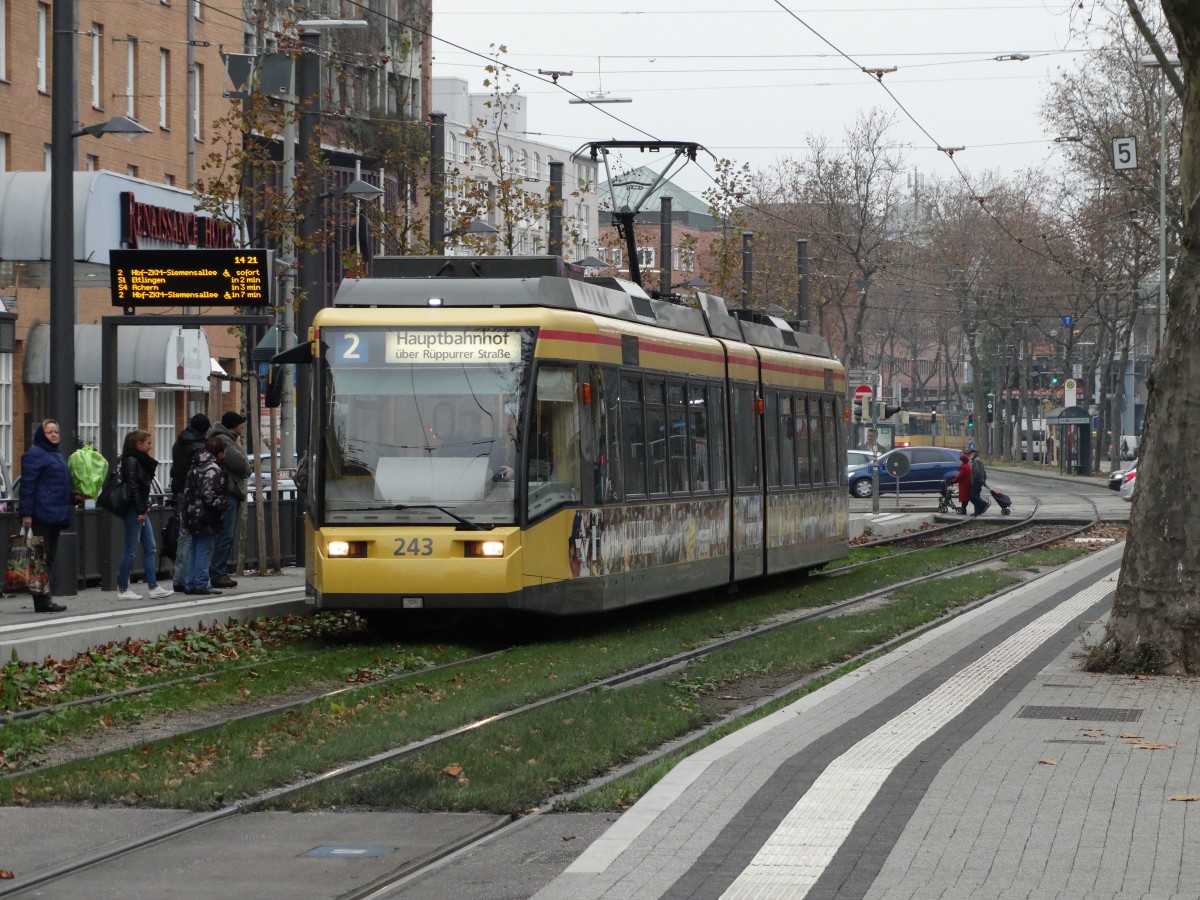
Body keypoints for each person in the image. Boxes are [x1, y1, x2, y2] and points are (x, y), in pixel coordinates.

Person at [18, 420, 75, 613]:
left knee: (47, 557)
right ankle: (42, 600)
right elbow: (27, 486)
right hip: (41, 514)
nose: (54, 434)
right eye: (49, 432)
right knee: (39, 557)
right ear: (41, 435)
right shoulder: (34, 455)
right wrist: (26, 514)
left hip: (55, 514)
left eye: (56, 431)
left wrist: (74, 497)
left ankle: (44, 597)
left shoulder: (56, 455)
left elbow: (59, 486)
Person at [115, 430, 173, 600]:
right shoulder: (132, 461)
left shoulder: (136, 460)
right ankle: (123, 588)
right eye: (148, 443)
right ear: (138, 444)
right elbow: (134, 486)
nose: (150, 446)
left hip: (139, 508)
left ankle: (153, 586)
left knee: (150, 547)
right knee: (131, 550)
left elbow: (139, 487)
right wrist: (140, 509)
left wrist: (143, 507)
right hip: (134, 510)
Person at [206, 411, 250, 589]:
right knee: (226, 534)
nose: (243, 426)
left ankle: (218, 571)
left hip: (228, 491)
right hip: (229, 492)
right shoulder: (225, 440)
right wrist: (246, 466)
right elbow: (241, 463)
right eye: (240, 423)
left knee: (225, 534)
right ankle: (218, 573)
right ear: (234, 425)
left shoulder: (227, 439)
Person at [169, 413, 211, 593]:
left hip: (180, 490)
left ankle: (179, 578)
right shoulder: (199, 447)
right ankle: (188, 579)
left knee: (184, 536)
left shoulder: (179, 443)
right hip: (194, 494)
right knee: (192, 538)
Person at [181, 436, 228, 596]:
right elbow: (209, 495)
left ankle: (190, 583)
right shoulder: (212, 468)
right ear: (220, 452)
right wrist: (221, 503)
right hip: (205, 515)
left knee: (195, 549)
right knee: (204, 549)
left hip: (190, 512)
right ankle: (201, 583)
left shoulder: (195, 465)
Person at [442, 409, 514, 481]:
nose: (460, 428)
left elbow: (501, 469)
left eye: (465, 425)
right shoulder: (450, 444)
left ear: (476, 428)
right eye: (459, 424)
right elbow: (442, 465)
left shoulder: (488, 445)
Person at [969, 448, 990, 516]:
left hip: (976, 481)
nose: (970, 455)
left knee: (972, 495)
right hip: (980, 480)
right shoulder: (979, 460)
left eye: (971, 454)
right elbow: (983, 471)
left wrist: (973, 480)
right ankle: (977, 511)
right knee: (976, 495)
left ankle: (984, 504)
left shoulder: (976, 461)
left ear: (974, 453)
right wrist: (983, 480)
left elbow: (976, 471)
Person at [954, 452, 973, 516]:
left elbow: (960, 476)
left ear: (963, 460)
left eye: (960, 460)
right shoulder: (967, 466)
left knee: (964, 498)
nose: (959, 461)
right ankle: (963, 510)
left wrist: (953, 481)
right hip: (967, 484)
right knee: (966, 498)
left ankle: (963, 510)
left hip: (964, 485)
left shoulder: (964, 467)